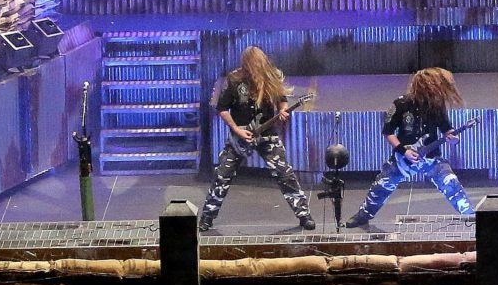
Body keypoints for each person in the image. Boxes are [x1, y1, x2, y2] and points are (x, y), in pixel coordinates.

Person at [200, 46, 315, 234]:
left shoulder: (271, 76)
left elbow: (282, 99)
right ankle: (207, 217)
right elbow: (222, 109)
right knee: (222, 176)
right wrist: (237, 130)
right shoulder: (235, 79)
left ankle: (304, 215)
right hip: (241, 135)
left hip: (267, 135)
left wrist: (282, 111)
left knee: (285, 174)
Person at [345, 68, 476, 227]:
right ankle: (363, 215)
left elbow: (446, 129)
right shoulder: (401, 104)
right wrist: (404, 151)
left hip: (431, 157)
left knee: (451, 184)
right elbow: (388, 132)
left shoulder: (436, 105)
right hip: (403, 157)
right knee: (381, 186)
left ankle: (471, 215)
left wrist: (453, 139)